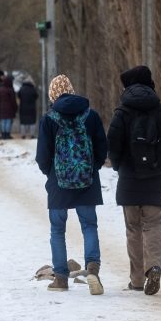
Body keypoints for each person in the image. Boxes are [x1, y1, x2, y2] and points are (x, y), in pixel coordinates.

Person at [107, 65, 161, 296]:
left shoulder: (122, 113)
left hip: (129, 179)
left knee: (133, 229)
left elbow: (113, 145)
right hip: (155, 180)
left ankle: (137, 279)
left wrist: (121, 167)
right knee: (152, 226)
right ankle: (154, 266)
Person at [36, 75, 107, 295]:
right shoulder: (91, 116)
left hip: (58, 184)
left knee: (58, 230)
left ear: (52, 95)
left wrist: (53, 174)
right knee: (89, 226)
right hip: (87, 181)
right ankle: (93, 268)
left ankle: (60, 278)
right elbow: (102, 149)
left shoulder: (49, 120)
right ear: (72, 90)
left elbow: (42, 157)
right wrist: (90, 170)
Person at [0, 74, 18, 139]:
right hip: (9, 108)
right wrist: (15, 107)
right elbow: (13, 100)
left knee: (3, 121)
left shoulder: (0, 89)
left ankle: (3, 134)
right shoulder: (10, 90)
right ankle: (7, 134)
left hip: (2, 107)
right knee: (8, 121)